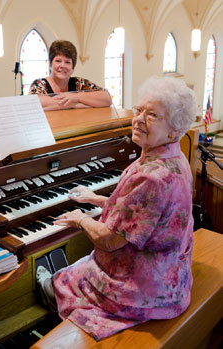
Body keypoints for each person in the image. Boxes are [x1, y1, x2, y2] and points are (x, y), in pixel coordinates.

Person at [36, 75, 197, 340]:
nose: (138, 119)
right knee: (82, 263)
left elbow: (109, 241)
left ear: (174, 128)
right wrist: (96, 199)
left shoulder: (152, 176)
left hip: (143, 292)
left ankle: (50, 296)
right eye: (139, 109)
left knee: (66, 276)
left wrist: (79, 219)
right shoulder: (174, 158)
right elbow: (143, 213)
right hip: (170, 275)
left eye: (152, 115)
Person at [29, 40, 111, 110]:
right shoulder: (40, 84)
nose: (62, 66)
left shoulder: (79, 83)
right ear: (50, 64)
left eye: (67, 62)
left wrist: (75, 97)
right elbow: (33, 105)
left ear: (72, 68)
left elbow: (107, 98)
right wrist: (75, 104)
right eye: (58, 61)